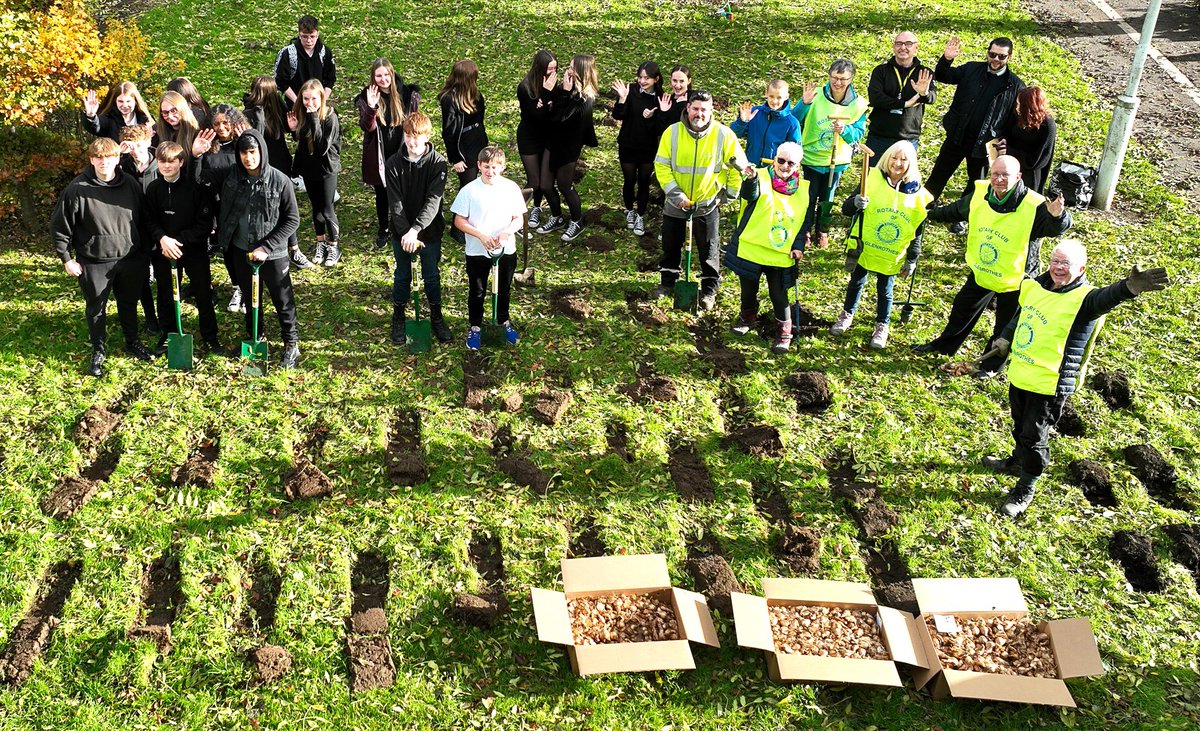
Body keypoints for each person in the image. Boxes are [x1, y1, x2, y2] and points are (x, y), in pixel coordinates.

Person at [977, 240, 1169, 516]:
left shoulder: (1085, 301)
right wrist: (1005, 337)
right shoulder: (1035, 286)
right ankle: (1018, 460)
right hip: (1021, 374)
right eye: (1055, 261)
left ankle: (1026, 487)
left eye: (1065, 264)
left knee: (1034, 436)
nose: (1058, 268)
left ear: (1080, 268)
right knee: (1020, 425)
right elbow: (1021, 315)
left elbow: (1106, 297)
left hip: (1050, 384)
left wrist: (1127, 288)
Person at [913, 155, 1071, 376]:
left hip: (1016, 277)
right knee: (962, 308)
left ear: (1018, 177)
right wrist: (930, 214)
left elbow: (1055, 228)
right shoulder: (981, 193)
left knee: (1004, 326)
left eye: (1005, 175)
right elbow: (958, 210)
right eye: (995, 174)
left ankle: (990, 367)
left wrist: (1059, 216)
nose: (998, 179)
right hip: (984, 270)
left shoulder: (1034, 204)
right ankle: (944, 347)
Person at [51, 137, 155, 377]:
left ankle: (132, 341)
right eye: (98, 157)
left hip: (130, 257)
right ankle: (98, 349)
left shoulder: (130, 184)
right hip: (94, 261)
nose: (104, 162)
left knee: (128, 303)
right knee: (96, 308)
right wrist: (67, 258)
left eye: (109, 157)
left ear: (118, 159)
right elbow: (60, 226)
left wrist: (144, 252)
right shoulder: (77, 189)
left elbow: (144, 218)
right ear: (91, 160)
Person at [653, 90, 752, 311]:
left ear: (711, 111)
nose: (699, 114)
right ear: (688, 108)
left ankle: (709, 291)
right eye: (695, 109)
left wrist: (729, 194)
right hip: (675, 205)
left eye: (704, 110)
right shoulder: (673, 133)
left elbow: (739, 167)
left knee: (709, 249)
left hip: (707, 205)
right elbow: (661, 165)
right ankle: (667, 283)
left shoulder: (723, 135)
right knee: (670, 246)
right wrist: (676, 195)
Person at [830, 140, 932, 349]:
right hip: (865, 245)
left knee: (885, 290)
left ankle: (882, 325)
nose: (897, 163)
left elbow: (917, 229)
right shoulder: (871, 178)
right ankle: (847, 314)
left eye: (904, 159)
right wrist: (856, 202)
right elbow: (846, 209)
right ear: (887, 159)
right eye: (894, 157)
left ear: (911, 163)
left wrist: (912, 258)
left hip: (891, 252)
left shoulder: (917, 193)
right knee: (856, 281)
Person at [215, 130, 301, 369]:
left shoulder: (280, 180)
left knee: (282, 300)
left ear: (262, 152)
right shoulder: (232, 177)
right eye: (244, 152)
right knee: (251, 299)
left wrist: (267, 246)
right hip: (241, 250)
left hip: (272, 254)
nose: (248, 158)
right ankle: (256, 336)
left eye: (253, 152)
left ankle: (291, 344)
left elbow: (292, 219)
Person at [925, 35, 1025, 237]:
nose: (996, 60)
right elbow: (945, 76)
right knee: (939, 174)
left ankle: (961, 218)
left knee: (975, 184)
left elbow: (1014, 119)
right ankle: (924, 205)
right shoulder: (971, 69)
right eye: (992, 54)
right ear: (987, 52)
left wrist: (1004, 142)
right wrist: (946, 59)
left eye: (1001, 57)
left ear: (1009, 57)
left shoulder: (1015, 86)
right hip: (957, 136)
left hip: (985, 144)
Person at [723, 141, 807, 353]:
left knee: (778, 294)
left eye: (791, 163)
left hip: (781, 252)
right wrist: (750, 179)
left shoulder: (804, 190)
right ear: (774, 159)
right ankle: (747, 318)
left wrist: (799, 245)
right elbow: (748, 196)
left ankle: (784, 332)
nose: (785, 166)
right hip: (752, 246)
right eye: (781, 160)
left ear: (798, 166)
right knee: (748, 288)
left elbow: (805, 220)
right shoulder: (758, 175)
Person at [145, 141, 225, 357]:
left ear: (181, 162)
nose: (166, 166)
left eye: (171, 161)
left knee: (202, 293)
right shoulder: (153, 189)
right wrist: (162, 239)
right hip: (164, 250)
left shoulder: (194, 188)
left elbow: (204, 223)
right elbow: (149, 220)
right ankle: (169, 333)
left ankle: (210, 336)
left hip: (192, 249)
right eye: (162, 161)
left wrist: (178, 241)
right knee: (166, 293)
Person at [450, 145, 526, 350]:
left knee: (503, 289)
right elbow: (459, 221)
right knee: (477, 291)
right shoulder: (469, 191)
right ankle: (475, 327)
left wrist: (507, 232)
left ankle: (503, 322)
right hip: (476, 251)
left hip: (505, 249)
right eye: (486, 167)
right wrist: (481, 235)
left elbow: (519, 218)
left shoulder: (511, 188)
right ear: (478, 166)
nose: (490, 171)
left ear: (502, 167)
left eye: (494, 167)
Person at [385, 112, 450, 345]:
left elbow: (434, 200)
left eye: (417, 137)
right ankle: (399, 316)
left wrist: (417, 229)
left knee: (431, 275)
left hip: (429, 231)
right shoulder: (393, 163)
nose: (412, 142)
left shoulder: (438, 163)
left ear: (427, 137)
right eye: (408, 136)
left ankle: (436, 316)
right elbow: (395, 203)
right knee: (402, 275)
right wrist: (406, 233)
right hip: (401, 234)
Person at [791, 59, 869, 248]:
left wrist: (845, 130)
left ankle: (823, 229)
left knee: (828, 197)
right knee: (809, 196)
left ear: (851, 79)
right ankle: (805, 230)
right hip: (812, 157)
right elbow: (793, 119)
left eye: (843, 79)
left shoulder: (858, 104)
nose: (838, 82)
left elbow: (858, 133)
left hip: (837, 159)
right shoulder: (815, 95)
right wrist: (803, 103)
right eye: (834, 77)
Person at [243, 75, 308, 271]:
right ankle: (270, 246)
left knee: (287, 207)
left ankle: (294, 249)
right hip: (260, 166)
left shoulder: (278, 108)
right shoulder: (249, 114)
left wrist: (292, 129)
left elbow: (292, 133)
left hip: (280, 163)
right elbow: (254, 139)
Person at [356, 58, 419, 250]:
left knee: (404, 190)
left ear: (391, 74)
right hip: (379, 152)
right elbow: (367, 127)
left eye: (386, 75)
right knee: (382, 193)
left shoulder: (407, 95)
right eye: (378, 76)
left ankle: (402, 225)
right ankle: (383, 227)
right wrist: (372, 107)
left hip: (402, 148)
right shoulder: (367, 96)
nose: (383, 79)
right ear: (373, 78)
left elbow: (414, 123)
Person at [539, 53, 599, 241]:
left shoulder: (586, 99)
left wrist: (564, 93)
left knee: (565, 186)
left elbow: (560, 119)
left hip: (568, 148)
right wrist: (554, 93)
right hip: (552, 142)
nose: (568, 70)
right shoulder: (567, 87)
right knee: (545, 185)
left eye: (572, 67)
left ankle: (576, 221)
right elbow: (551, 113)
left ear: (581, 71)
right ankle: (557, 217)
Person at [288, 79, 342, 266]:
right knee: (316, 208)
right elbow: (303, 147)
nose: (309, 103)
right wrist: (295, 130)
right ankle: (320, 242)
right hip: (310, 169)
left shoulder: (330, 117)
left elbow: (321, 147)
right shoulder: (303, 116)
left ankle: (334, 245)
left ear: (321, 98)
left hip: (326, 169)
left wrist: (312, 119)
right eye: (305, 99)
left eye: (313, 99)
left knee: (327, 209)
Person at [864, 31, 936, 163]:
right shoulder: (881, 71)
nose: (903, 47)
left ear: (916, 48)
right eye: (899, 43)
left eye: (908, 44)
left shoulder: (924, 73)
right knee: (871, 178)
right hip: (879, 137)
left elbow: (932, 98)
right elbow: (875, 98)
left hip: (908, 138)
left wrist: (923, 93)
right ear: (893, 47)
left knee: (902, 179)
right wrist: (904, 104)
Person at [118, 124, 162, 336]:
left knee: (164, 276)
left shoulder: (160, 164)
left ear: (148, 142)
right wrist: (118, 154)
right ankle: (150, 318)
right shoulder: (122, 167)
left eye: (139, 145)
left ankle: (167, 317)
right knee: (142, 277)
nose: (136, 151)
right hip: (135, 231)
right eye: (131, 147)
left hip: (160, 229)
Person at [612, 61, 664, 237]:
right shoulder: (630, 90)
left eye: (647, 78)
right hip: (628, 144)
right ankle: (629, 210)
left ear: (656, 79)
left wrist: (652, 117)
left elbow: (659, 128)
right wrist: (622, 99)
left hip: (647, 147)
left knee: (643, 181)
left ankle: (640, 215)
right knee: (629, 179)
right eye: (640, 77)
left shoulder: (660, 97)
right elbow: (618, 115)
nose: (642, 81)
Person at [440, 59, 489, 243]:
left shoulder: (476, 94)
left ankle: (472, 220)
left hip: (478, 141)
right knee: (467, 187)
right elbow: (448, 132)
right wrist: (455, 158)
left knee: (478, 184)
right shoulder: (449, 99)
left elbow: (481, 120)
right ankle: (457, 227)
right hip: (464, 146)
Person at [516, 50, 558, 231]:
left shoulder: (555, 83)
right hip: (529, 136)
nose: (553, 72)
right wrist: (546, 96)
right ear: (540, 68)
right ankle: (514, 212)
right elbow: (535, 116)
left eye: (555, 68)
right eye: (550, 69)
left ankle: (536, 208)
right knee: (533, 180)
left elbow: (552, 112)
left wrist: (547, 102)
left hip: (546, 136)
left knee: (543, 179)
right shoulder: (525, 87)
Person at [997, 86, 1056, 194]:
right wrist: (1004, 141)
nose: (1017, 107)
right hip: (1010, 166)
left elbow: (1039, 160)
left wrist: (1009, 151)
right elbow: (1008, 132)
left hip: (1029, 173)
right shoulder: (1018, 115)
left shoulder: (1047, 126)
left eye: (1021, 104)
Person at [730, 78, 801, 168]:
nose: (774, 101)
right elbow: (733, 134)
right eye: (771, 96)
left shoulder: (792, 123)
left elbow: (795, 152)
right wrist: (742, 121)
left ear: (786, 96)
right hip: (750, 166)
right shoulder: (754, 113)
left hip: (774, 170)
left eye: (779, 97)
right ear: (766, 93)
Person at [274, 14, 336, 105]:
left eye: (312, 36)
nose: (309, 40)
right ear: (299, 35)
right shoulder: (288, 53)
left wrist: (322, 101)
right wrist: (298, 101)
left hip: (317, 104)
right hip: (294, 104)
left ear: (317, 34)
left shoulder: (325, 52)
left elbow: (330, 79)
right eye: (305, 36)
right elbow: (281, 82)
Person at [82, 81, 154, 142]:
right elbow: (95, 127)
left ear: (135, 101)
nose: (125, 105)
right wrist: (91, 115)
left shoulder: (146, 120)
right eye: (120, 101)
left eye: (128, 101)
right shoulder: (109, 118)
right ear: (115, 101)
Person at [155, 91, 202, 165]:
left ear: (182, 109)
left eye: (173, 111)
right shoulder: (157, 132)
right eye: (165, 112)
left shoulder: (196, 133)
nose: (170, 116)